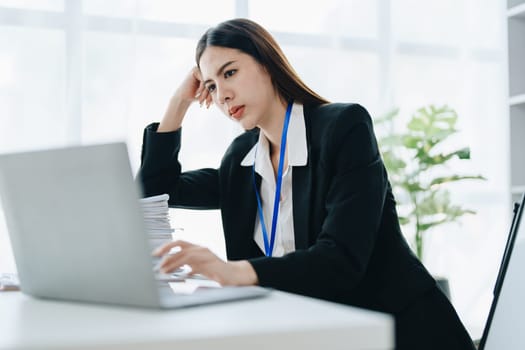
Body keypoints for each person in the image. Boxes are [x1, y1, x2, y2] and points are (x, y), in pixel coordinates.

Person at [138, 18, 475, 350]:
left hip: (404, 332)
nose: (222, 95)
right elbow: (154, 192)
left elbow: (340, 261)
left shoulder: (343, 129)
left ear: (267, 64)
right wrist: (179, 103)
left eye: (230, 73)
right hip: (322, 335)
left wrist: (232, 272)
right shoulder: (242, 158)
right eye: (211, 86)